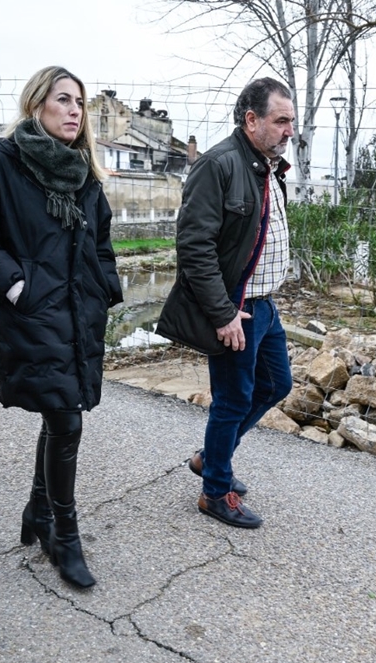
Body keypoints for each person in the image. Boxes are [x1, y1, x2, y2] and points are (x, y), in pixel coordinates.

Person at [0, 66, 123, 589]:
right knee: (67, 420)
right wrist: (16, 287)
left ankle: (36, 508)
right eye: (63, 99)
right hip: (33, 312)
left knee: (60, 413)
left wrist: (106, 290)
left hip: (77, 312)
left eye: (80, 103)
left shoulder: (84, 172)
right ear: (36, 105)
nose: (74, 111)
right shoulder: (4, 162)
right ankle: (63, 535)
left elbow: (101, 243)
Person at [156, 77, 296, 529]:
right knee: (233, 400)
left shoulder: (266, 164)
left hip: (264, 303)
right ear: (251, 120)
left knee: (276, 384)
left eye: (292, 121)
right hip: (236, 306)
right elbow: (194, 246)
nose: (289, 130)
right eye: (281, 121)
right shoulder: (218, 165)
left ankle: (210, 457)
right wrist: (223, 313)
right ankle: (215, 491)